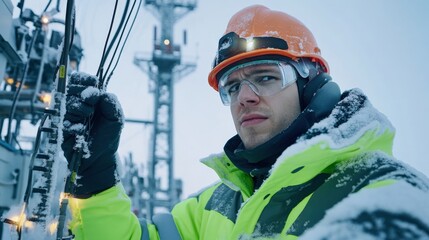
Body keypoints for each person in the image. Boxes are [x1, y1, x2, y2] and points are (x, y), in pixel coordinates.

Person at [63, 4, 429, 240]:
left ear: (312, 84)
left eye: (266, 77)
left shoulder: (381, 189)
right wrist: (95, 181)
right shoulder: (218, 203)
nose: (245, 97)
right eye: (232, 86)